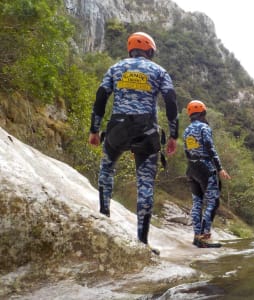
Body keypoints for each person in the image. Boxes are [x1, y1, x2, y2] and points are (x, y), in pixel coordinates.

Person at [88, 32, 179, 249]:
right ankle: (143, 242)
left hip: (117, 128)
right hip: (147, 131)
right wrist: (174, 135)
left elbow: (101, 97)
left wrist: (94, 130)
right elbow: (171, 102)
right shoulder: (159, 71)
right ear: (150, 51)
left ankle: (104, 219)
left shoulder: (116, 68)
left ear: (131, 49)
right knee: (145, 183)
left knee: (106, 170)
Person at [183, 100, 231, 248]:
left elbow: (186, 151)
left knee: (197, 203)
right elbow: (211, 149)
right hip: (205, 168)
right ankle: (204, 237)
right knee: (213, 202)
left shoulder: (186, 131)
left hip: (191, 168)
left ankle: (197, 236)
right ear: (203, 113)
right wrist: (220, 168)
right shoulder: (204, 128)